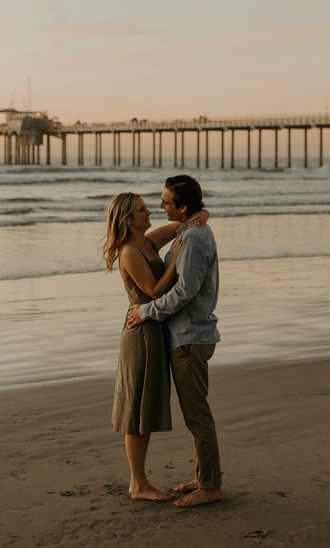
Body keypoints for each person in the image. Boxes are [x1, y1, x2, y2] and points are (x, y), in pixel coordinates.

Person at [103, 192, 209, 501]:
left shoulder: (148, 241)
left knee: (146, 407)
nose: (150, 211)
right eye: (141, 209)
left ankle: (141, 482)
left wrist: (203, 215)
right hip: (140, 333)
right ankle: (138, 484)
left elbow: (190, 220)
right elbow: (152, 290)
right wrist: (176, 259)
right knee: (137, 410)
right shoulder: (129, 252)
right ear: (127, 219)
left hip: (154, 329)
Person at [127, 175, 223, 508]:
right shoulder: (188, 231)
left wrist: (146, 312)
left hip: (189, 338)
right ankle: (205, 475)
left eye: (167, 202)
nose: (160, 206)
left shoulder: (194, 238)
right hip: (186, 335)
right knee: (195, 413)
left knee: (197, 415)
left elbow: (185, 291)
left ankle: (210, 486)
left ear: (182, 207)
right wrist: (203, 213)